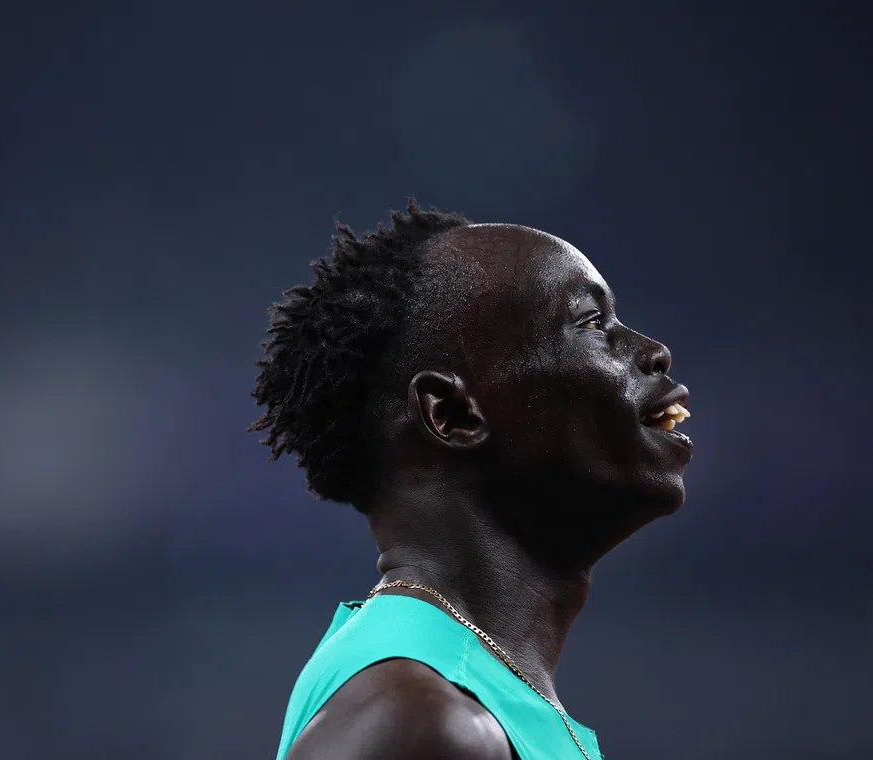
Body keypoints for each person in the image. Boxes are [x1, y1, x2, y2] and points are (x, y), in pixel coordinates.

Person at [248, 201, 693, 759]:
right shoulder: (424, 721)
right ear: (453, 415)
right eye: (591, 322)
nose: (654, 353)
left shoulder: (458, 700)